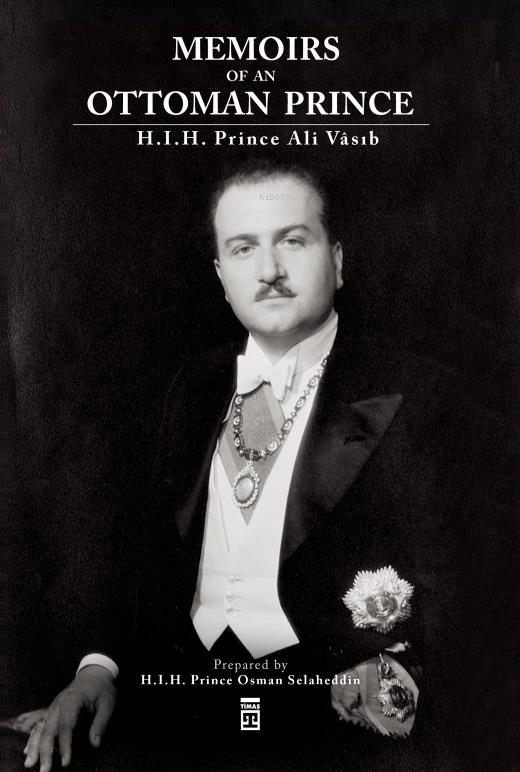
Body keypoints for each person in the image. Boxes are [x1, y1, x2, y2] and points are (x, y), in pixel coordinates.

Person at [20, 160, 475, 770]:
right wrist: (97, 671)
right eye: (243, 248)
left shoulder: (426, 399)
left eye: (293, 240)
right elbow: (145, 562)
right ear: (221, 276)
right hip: (182, 713)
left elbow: (472, 602)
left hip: (336, 738)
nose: (269, 271)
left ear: (337, 261)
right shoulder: (191, 387)